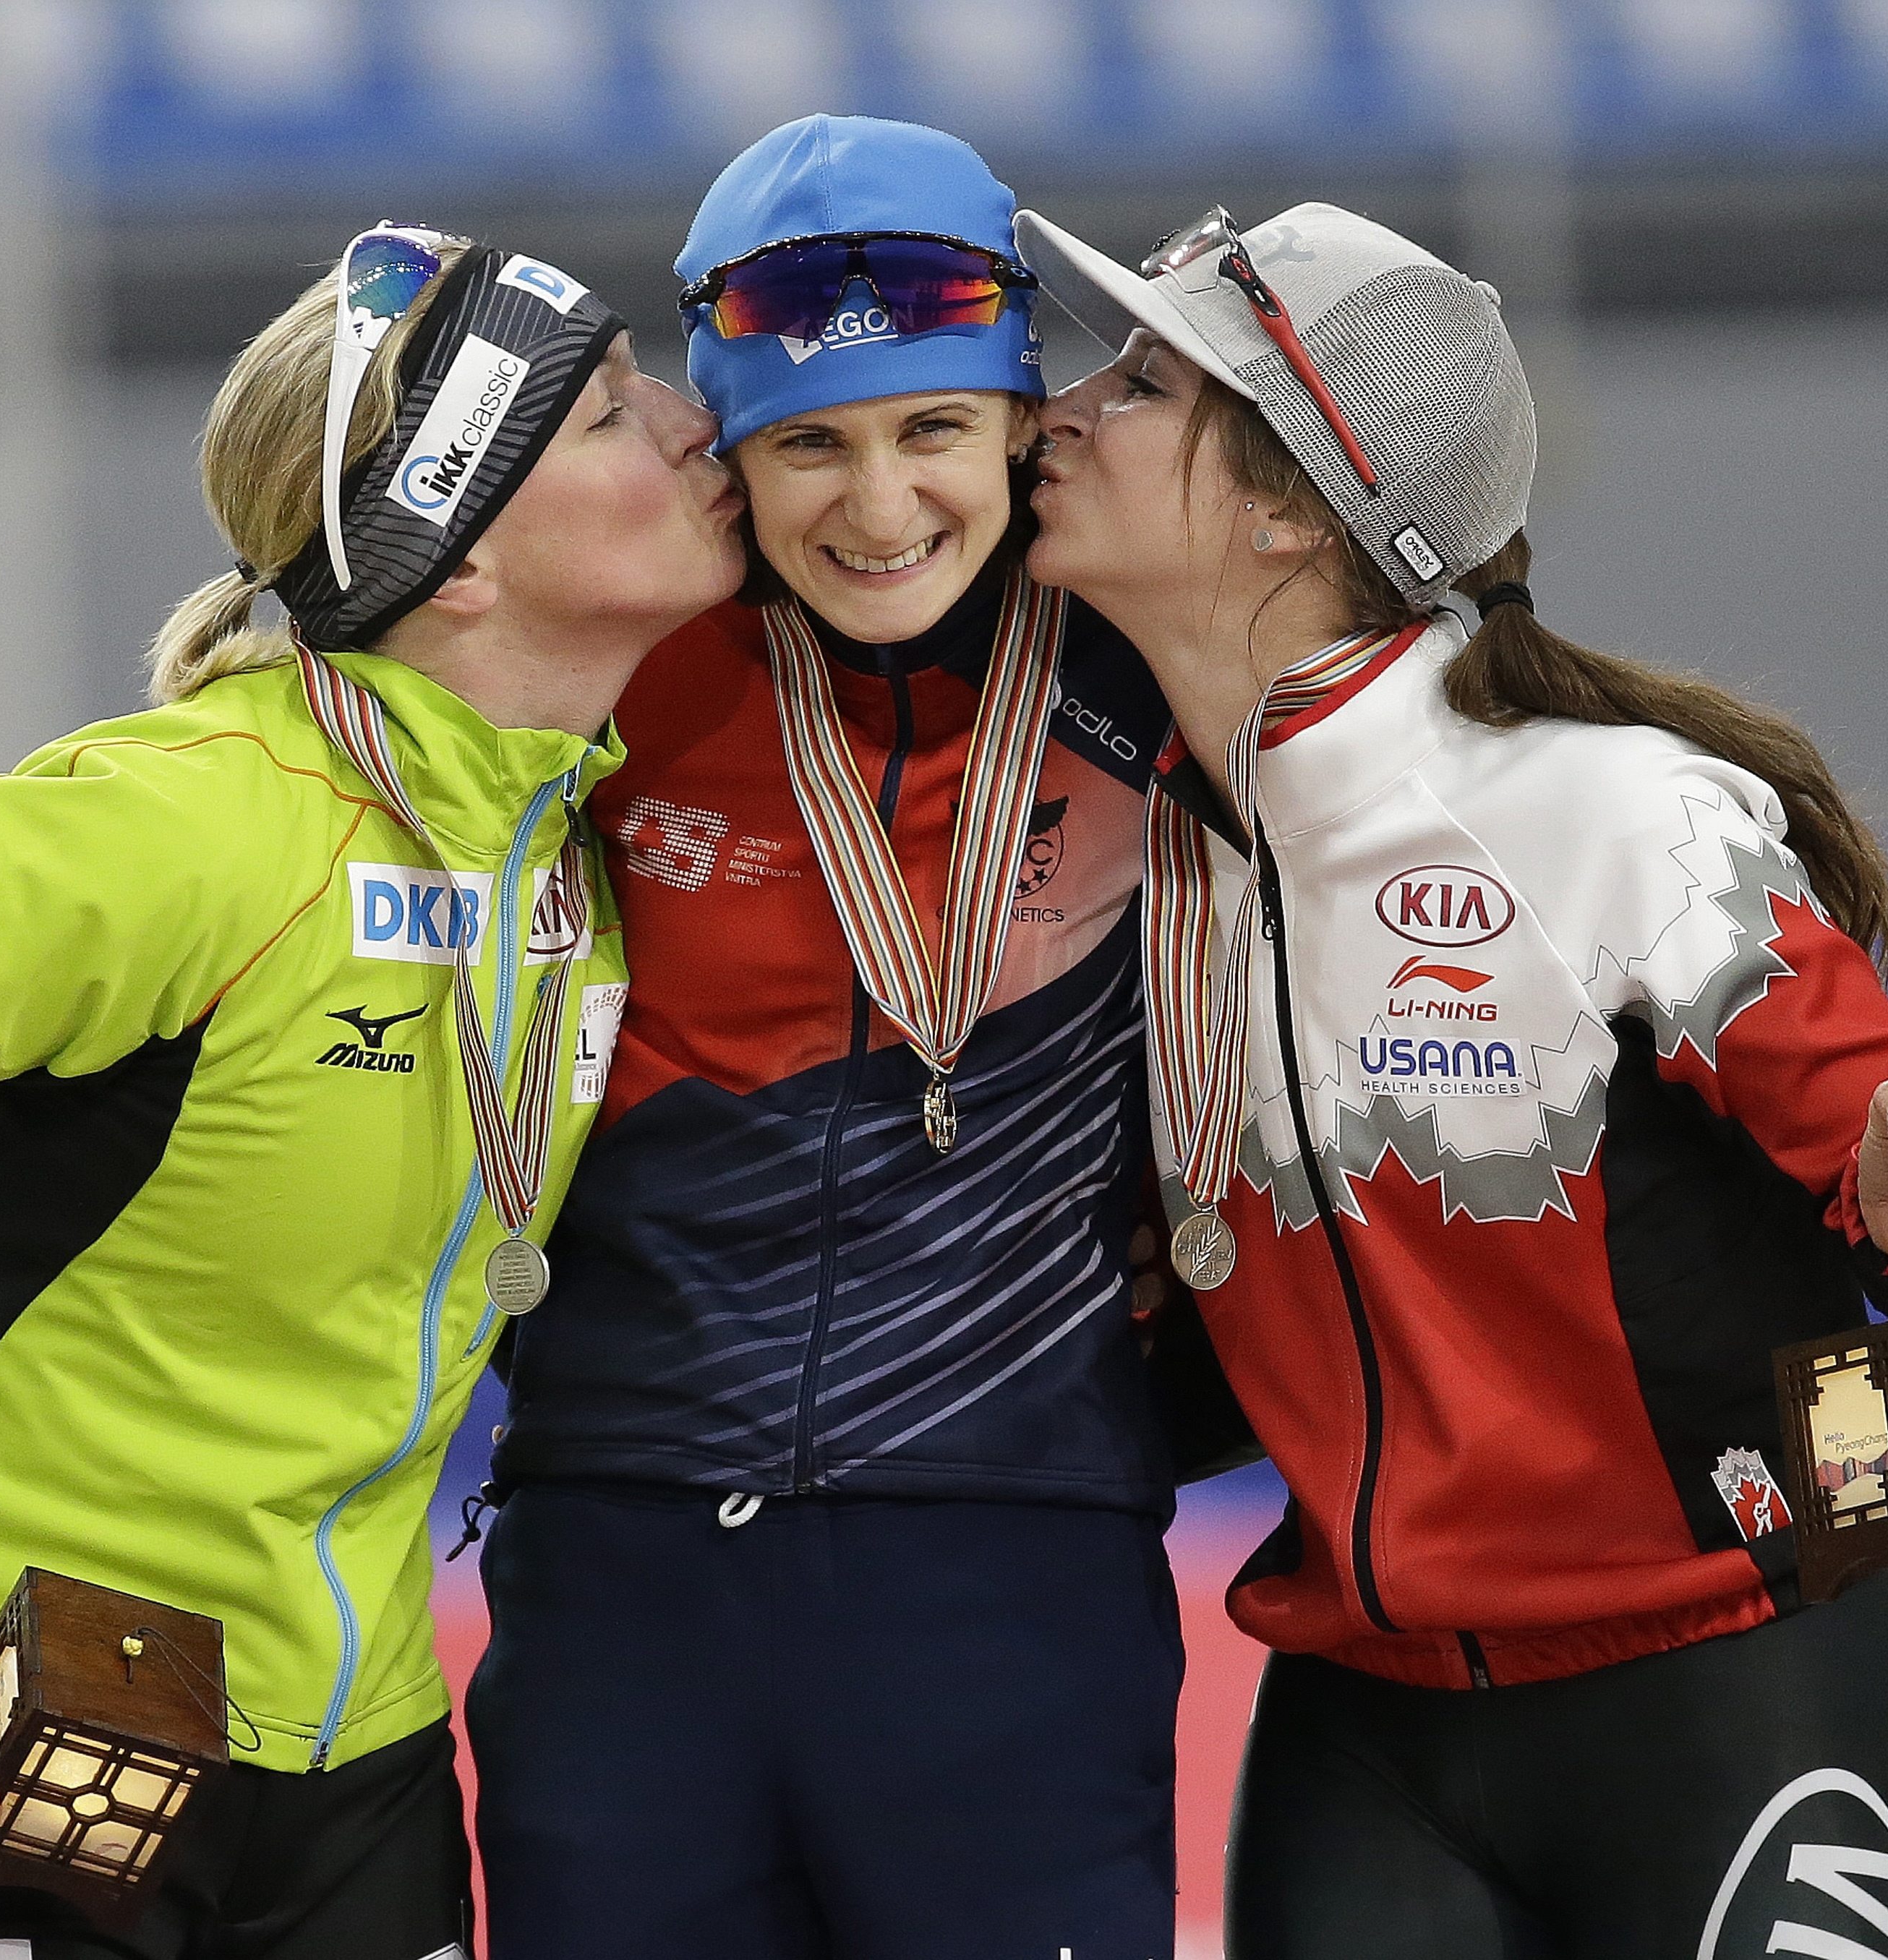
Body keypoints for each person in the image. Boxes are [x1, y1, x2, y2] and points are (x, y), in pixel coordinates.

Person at [0, 223, 743, 1960]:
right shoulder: (181, 820)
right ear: (455, 558)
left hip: (350, 1762)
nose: (688, 424)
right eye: (602, 415)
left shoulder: (563, 877)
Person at [1012, 200, 1888, 1957]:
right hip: (1371, 1725)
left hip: (1734, 1690)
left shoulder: (1607, 809)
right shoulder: (1143, 846)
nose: (1061, 406)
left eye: (1139, 381)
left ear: (1285, 505)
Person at [464, 117, 1187, 1959]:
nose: (877, 510)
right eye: (810, 445)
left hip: (1015, 1550)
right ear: (724, 455)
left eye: (930, 429)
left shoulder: (1155, 650)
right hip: (622, 1556)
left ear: (1023, 422)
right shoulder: (620, 661)